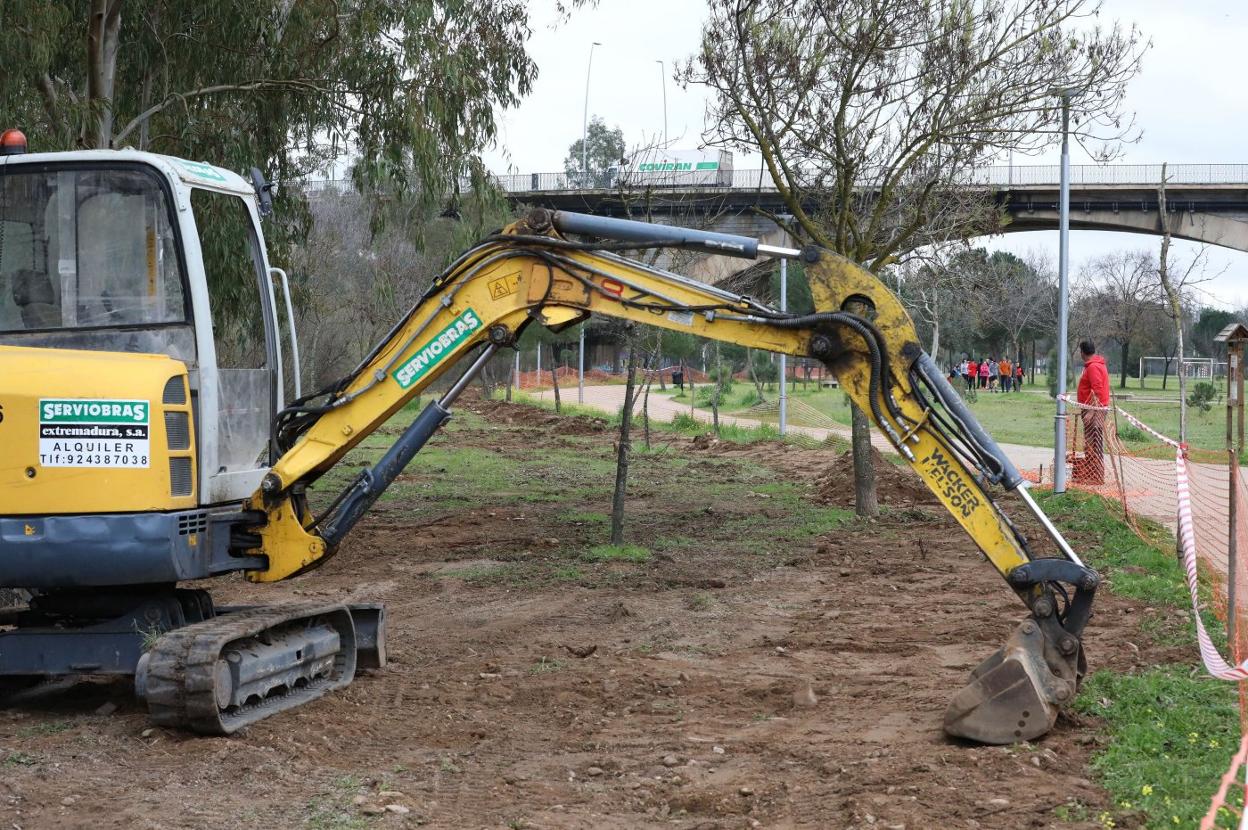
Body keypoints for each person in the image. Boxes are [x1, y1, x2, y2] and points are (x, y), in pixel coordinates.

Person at [1075, 340, 1111, 485]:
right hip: (1095, 408)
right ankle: (1092, 473)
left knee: (1093, 442)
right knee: (1092, 442)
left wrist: (1091, 411)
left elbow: (1097, 389)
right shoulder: (1094, 365)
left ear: (1082, 352)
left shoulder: (1093, 367)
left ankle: (1095, 475)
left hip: (1095, 410)